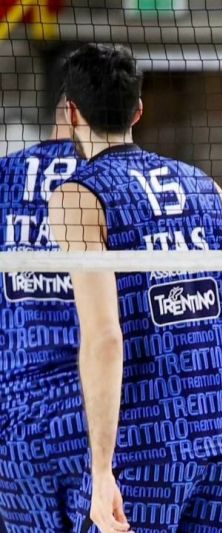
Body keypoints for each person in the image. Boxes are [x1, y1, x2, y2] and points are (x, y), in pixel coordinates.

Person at [48, 43, 222, 532]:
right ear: (138, 110)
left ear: (72, 113)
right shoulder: (207, 186)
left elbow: (105, 337)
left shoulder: (78, 196)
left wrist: (101, 470)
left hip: (142, 453)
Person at [0, 97, 87, 532]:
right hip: (98, 417)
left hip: (14, 422)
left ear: (65, 113)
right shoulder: (115, 181)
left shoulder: (5, 175)